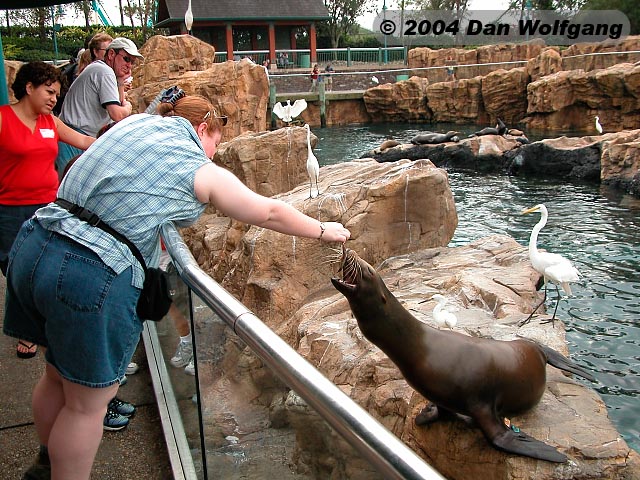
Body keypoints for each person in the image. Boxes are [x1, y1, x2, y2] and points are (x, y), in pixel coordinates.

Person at [3, 87, 350, 480]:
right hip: (86, 272)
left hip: (36, 244)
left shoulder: (134, 123)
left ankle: (46, 462)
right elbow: (268, 212)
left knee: (55, 375)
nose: (214, 154)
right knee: (86, 406)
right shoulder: (197, 168)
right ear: (204, 128)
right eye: (215, 143)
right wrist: (322, 230)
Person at [0, 61, 95, 360]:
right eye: (49, 92)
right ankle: (28, 328)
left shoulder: (50, 122)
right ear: (29, 88)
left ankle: (41, 324)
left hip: (48, 208)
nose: (55, 99)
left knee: (46, 267)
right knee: (16, 269)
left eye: (57, 93)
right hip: (10, 210)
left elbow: (84, 141)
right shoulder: (3, 119)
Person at [56, 36, 140, 175]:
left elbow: (117, 102)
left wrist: (120, 81)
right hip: (74, 139)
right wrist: (128, 107)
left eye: (132, 62)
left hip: (82, 137)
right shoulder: (104, 71)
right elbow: (117, 114)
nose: (129, 65)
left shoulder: (103, 70)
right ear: (111, 54)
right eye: (126, 59)